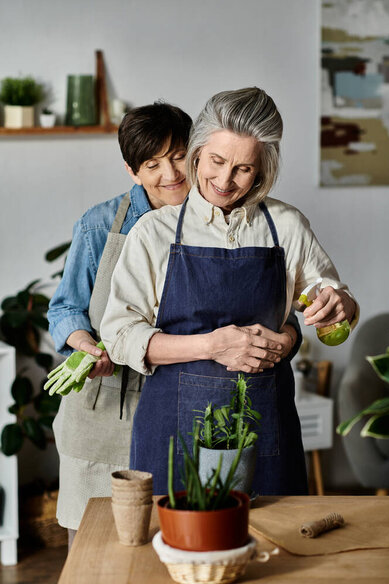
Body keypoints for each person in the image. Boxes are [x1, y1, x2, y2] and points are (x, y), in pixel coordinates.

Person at [101, 87, 358, 496]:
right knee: (177, 550)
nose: (223, 180)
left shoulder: (286, 226)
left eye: (243, 168)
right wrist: (213, 346)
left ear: (262, 169)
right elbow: (118, 337)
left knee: (278, 547)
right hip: (172, 430)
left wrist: (340, 305)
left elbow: (329, 300)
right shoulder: (154, 233)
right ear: (197, 152)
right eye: (216, 161)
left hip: (264, 424)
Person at [47, 102, 192, 546]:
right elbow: (65, 309)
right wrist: (85, 347)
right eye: (153, 164)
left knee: (172, 541)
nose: (170, 173)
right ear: (133, 171)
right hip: (104, 409)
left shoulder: (212, 222)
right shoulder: (99, 225)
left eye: (178, 156)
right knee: (92, 546)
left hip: (181, 402)